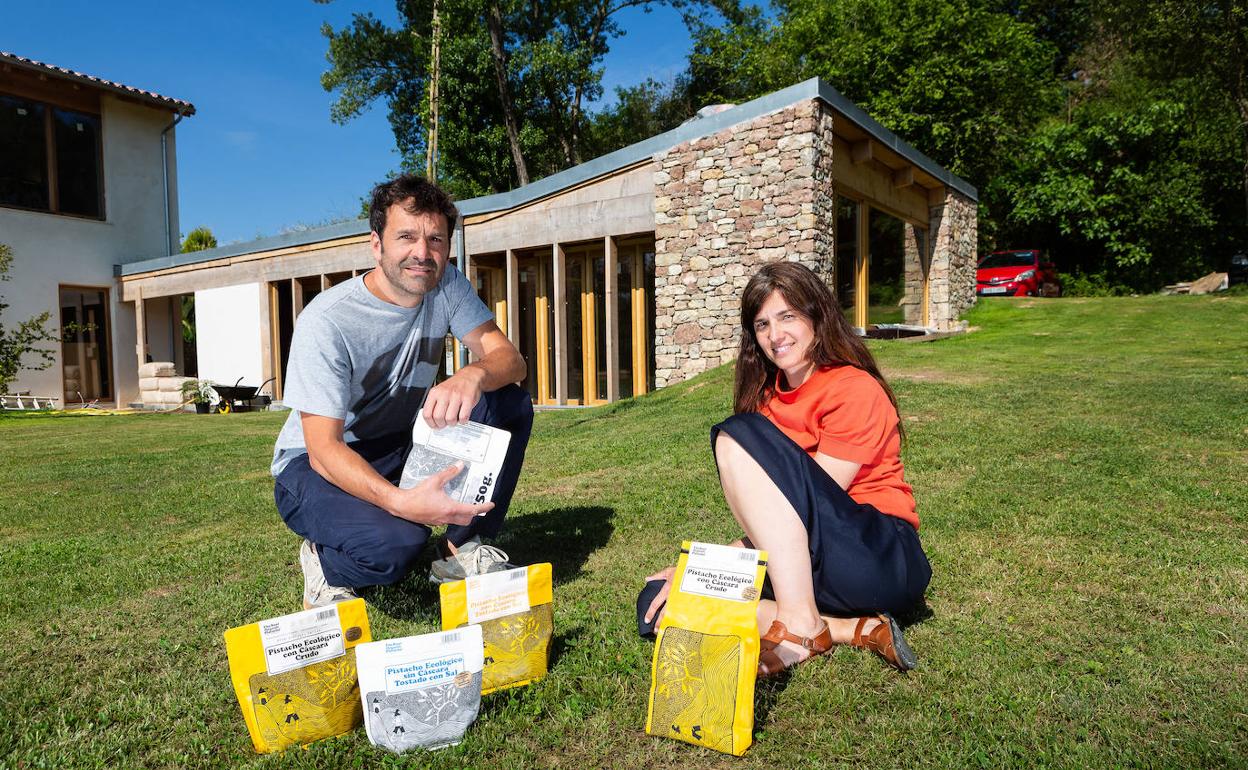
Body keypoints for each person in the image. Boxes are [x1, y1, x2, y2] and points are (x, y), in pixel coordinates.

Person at [641, 261, 930, 675]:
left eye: (787, 317)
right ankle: (845, 628)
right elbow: (781, 525)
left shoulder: (853, 388)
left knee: (736, 433)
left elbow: (807, 506)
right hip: (810, 566)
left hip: (876, 556)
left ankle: (800, 624)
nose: (775, 336)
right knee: (657, 603)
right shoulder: (767, 403)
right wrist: (700, 570)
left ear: (817, 316)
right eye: (762, 325)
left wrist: (717, 562)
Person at [272, 174, 532, 609]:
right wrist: (401, 504)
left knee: (507, 402)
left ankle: (462, 551)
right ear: (376, 244)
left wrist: (473, 374)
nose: (422, 253)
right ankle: (324, 559)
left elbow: (511, 361)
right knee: (396, 546)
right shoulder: (328, 320)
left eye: (435, 239)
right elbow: (322, 449)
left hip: (399, 442)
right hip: (313, 465)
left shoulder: (447, 283)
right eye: (406, 236)